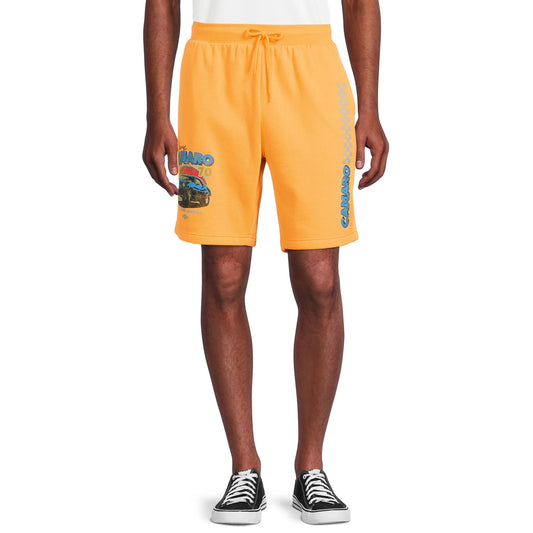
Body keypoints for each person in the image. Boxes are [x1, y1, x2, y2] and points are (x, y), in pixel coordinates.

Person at [142, 0, 388, 525]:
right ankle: (244, 468)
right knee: (223, 274)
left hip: (310, 71)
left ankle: (310, 467)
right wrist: (155, 112)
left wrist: (369, 106)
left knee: (320, 279)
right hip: (213, 72)